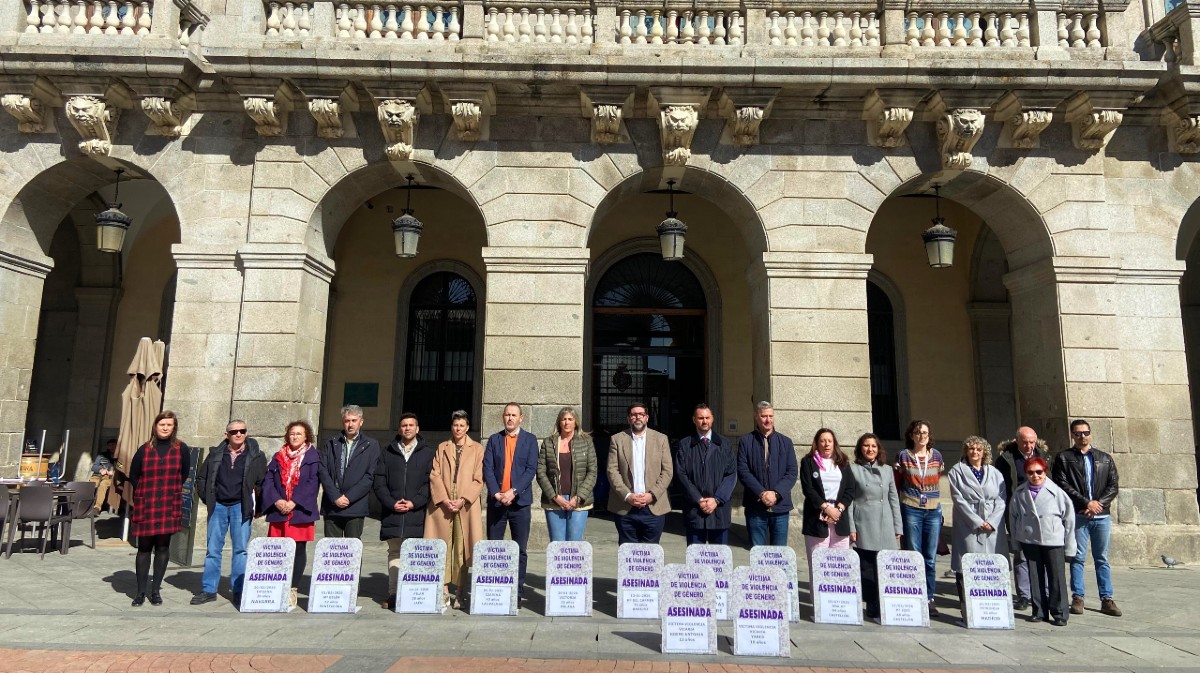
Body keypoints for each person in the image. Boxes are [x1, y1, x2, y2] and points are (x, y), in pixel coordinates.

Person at [191, 419, 267, 606]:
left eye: (242, 431)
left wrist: (257, 506)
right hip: (218, 507)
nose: (239, 434)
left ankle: (239, 590)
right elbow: (201, 478)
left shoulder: (256, 455)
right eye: (234, 432)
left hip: (241, 508)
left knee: (240, 550)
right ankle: (209, 589)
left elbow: (262, 482)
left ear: (246, 433)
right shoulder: (216, 454)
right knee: (213, 550)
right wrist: (208, 499)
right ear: (227, 435)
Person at [1052, 418, 1121, 617]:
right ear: (1072, 435)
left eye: (1085, 432)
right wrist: (1085, 502)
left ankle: (1107, 598)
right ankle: (1078, 597)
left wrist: (1097, 505)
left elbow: (1113, 485)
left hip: (1101, 516)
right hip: (1079, 515)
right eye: (1078, 433)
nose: (1082, 436)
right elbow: (1062, 484)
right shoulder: (1063, 458)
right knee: (1077, 557)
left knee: (1102, 558)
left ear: (1091, 434)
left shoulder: (1104, 458)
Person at [128, 410, 192, 607]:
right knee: (144, 547)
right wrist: (148, 492)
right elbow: (134, 475)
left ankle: (155, 590)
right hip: (146, 504)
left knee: (163, 547)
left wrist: (167, 490)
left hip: (168, 504)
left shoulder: (181, 449)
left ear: (174, 428)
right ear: (155, 426)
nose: (165, 428)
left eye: (169, 425)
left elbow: (183, 474)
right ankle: (140, 592)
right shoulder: (144, 449)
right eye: (162, 424)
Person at [374, 412, 434, 610]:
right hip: (393, 512)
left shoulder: (427, 453)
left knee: (414, 553)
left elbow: (429, 483)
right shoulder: (388, 452)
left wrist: (414, 503)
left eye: (411, 425)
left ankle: (412, 592)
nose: (407, 428)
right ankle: (393, 593)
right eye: (404, 425)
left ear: (418, 429)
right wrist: (391, 503)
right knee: (394, 552)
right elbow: (379, 481)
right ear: (399, 429)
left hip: (415, 513)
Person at [426, 410, 485, 609]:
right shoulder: (443, 447)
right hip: (443, 500)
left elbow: (478, 479)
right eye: (455, 425)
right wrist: (443, 499)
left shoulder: (477, 448)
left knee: (462, 547)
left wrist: (463, 499)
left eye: (462, 425)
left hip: (465, 502)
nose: (458, 429)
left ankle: (459, 591)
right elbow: (435, 475)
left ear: (467, 427)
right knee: (443, 544)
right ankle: (443, 590)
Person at [1009, 456, 1076, 626]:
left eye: (1039, 472)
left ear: (1045, 472)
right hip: (1029, 539)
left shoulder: (1057, 492)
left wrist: (1070, 545)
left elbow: (1069, 519)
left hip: (1052, 539)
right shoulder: (1019, 493)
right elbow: (1013, 517)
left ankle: (1060, 612)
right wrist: (1016, 541)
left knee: (1056, 577)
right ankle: (1039, 611)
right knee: (1034, 575)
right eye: (1030, 472)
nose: (1035, 476)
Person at [483, 403, 539, 599]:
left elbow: (531, 469)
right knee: (494, 547)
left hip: (520, 503)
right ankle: (494, 590)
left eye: (514, 415)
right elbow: (487, 468)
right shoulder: (494, 440)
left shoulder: (530, 440)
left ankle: (516, 591)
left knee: (519, 549)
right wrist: (496, 493)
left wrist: (513, 491)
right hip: (497, 502)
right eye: (507, 414)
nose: (510, 418)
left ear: (521, 418)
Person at [263, 420, 321, 608]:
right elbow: (269, 480)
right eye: (292, 433)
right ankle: (277, 586)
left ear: (307, 437)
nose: (295, 437)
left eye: (299, 434)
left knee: (297, 550)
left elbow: (312, 483)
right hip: (279, 509)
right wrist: (278, 501)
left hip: (299, 511)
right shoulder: (278, 456)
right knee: (278, 550)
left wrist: (294, 502)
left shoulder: (312, 456)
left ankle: (292, 589)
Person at [947, 435, 1007, 616]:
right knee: (966, 562)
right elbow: (958, 499)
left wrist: (992, 521)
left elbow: (1001, 498)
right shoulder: (956, 471)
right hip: (968, 523)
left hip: (992, 523)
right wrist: (977, 522)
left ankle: (992, 603)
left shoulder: (995, 473)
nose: (975, 452)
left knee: (991, 563)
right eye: (971, 449)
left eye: (978, 449)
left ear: (984, 452)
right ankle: (967, 605)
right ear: (966, 451)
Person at [992, 426, 1048, 610]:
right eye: (1024, 442)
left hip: (1042, 513)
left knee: (1043, 553)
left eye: (1032, 442)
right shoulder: (1005, 459)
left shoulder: (1045, 457)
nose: (1028, 445)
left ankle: (1043, 593)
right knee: (1021, 554)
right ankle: (1024, 595)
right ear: (1017, 440)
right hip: (1017, 511)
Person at [894, 419, 944, 616]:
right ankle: (914, 594)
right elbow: (898, 483)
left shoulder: (937, 456)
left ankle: (929, 598)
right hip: (911, 507)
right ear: (911, 435)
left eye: (925, 432)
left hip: (933, 509)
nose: (921, 436)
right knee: (914, 554)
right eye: (917, 432)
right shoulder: (904, 456)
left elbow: (937, 480)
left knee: (930, 557)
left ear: (929, 436)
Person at [848, 433, 901, 619]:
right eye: (866, 445)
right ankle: (872, 602)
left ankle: (886, 600)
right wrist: (851, 527)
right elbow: (850, 500)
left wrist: (898, 527)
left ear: (878, 449)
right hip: (864, 520)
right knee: (867, 566)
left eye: (874, 446)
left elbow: (893, 498)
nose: (870, 449)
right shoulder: (853, 469)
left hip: (885, 521)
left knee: (884, 563)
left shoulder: (887, 470)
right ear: (860, 449)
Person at [606, 402, 673, 544]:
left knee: (651, 555)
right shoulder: (617, 439)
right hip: (625, 508)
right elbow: (612, 470)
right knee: (628, 555)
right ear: (629, 418)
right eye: (634, 415)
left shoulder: (661, 439)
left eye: (641, 414)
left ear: (647, 417)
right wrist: (628, 495)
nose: (638, 417)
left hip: (653, 507)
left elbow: (667, 471)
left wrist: (652, 495)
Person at [736, 401, 798, 547]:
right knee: (758, 554)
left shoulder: (786, 442)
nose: (768, 420)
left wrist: (776, 493)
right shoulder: (746, 441)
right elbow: (743, 471)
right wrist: (762, 493)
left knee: (779, 554)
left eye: (770, 416)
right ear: (756, 417)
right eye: (764, 416)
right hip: (755, 507)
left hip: (780, 507)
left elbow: (792, 472)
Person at [674, 404, 736, 545]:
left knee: (719, 560)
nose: (704, 421)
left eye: (707, 417)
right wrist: (698, 499)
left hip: (719, 510)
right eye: (701, 418)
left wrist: (717, 499)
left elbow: (731, 474)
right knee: (695, 559)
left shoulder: (724, 444)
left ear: (712, 419)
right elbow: (680, 475)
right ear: (694, 420)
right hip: (695, 509)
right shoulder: (685, 445)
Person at [318, 405, 380, 539]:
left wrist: (349, 497)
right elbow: (323, 471)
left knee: (353, 551)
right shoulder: (331, 443)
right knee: (331, 551)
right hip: (332, 505)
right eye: (347, 421)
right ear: (343, 422)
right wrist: (335, 496)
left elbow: (370, 475)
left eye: (354, 420)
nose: (350, 424)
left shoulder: (371, 445)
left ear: (361, 422)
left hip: (355, 506)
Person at [536, 406, 598, 542]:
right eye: (564, 419)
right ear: (559, 422)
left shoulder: (586, 442)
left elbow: (592, 472)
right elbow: (541, 472)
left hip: (578, 501)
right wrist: (554, 496)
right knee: (557, 544)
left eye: (570, 419)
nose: (567, 422)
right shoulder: (549, 442)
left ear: (576, 422)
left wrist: (579, 497)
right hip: (554, 500)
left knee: (574, 544)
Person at [800, 428, 856, 569]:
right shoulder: (808, 462)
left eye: (829, 441)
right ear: (817, 444)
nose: (826, 444)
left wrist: (837, 510)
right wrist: (825, 508)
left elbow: (850, 489)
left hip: (839, 518)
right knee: (818, 567)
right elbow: (809, 489)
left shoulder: (843, 462)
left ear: (834, 443)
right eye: (822, 441)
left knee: (839, 567)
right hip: (817, 518)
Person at [90, 439, 117, 513]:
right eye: (110, 445)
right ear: (107, 447)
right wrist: (100, 470)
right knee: (89, 485)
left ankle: (97, 507)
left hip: (109, 478)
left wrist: (114, 472)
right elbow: (93, 467)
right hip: (97, 476)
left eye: (113, 445)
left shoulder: (119, 457)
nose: (112, 447)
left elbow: (121, 467)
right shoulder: (101, 456)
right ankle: (85, 506)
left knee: (103, 484)